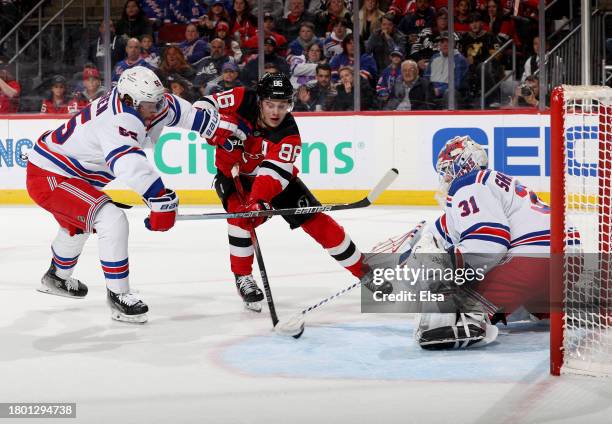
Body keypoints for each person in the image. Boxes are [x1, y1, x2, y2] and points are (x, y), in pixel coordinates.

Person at [26, 66, 243, 323]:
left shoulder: (148, 102)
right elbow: (129, 164)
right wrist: (158, 197)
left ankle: (56, 278)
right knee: (110, 218)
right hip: (50, 175)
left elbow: (184, 113)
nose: (157, 108)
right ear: (130, 101)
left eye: (158, 100)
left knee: (78, 224)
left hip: (75, 175)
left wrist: (219, 131)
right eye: (150, 104)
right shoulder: (117, 119)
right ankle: (119, 296)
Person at [194, 73, 391, 310]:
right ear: (259, 101)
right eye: (270, 105)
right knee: (239, 217)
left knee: (317, 220)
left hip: (272, 180)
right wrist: (214, 128)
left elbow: (273, 173)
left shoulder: (289, 133)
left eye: (282, 105)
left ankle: (364, 272)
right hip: (233, 176)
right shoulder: (241, 97)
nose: (276, 112)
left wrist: (259, 200)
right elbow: (202, 106)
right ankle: (243, 277)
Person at [405, 135, 574, 349]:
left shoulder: (468, 184)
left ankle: (473, 320)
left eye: (448, 171)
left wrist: (443, 266)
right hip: (566, 258)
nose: (445, 179)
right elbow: (441, 233)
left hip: (535, 258)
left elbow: (488, 244)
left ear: (463, 164)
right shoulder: (487, 186)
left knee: (458, 306)